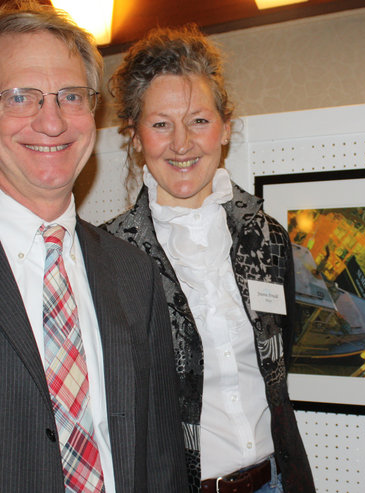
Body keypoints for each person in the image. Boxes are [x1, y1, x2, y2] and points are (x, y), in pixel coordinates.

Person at [0, 2, 187, 492]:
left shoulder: (134, 272)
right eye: (22, 96)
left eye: (71, 96)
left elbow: (160, 462)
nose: (52, 123)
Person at [102, 26, 316, 493]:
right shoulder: (108, 257)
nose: (181, 143)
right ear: (135, 138)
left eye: (198, 121)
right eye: (160, 124)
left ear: (224, 128)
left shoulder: (267, 237)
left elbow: (283, 357)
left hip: (274, 482)